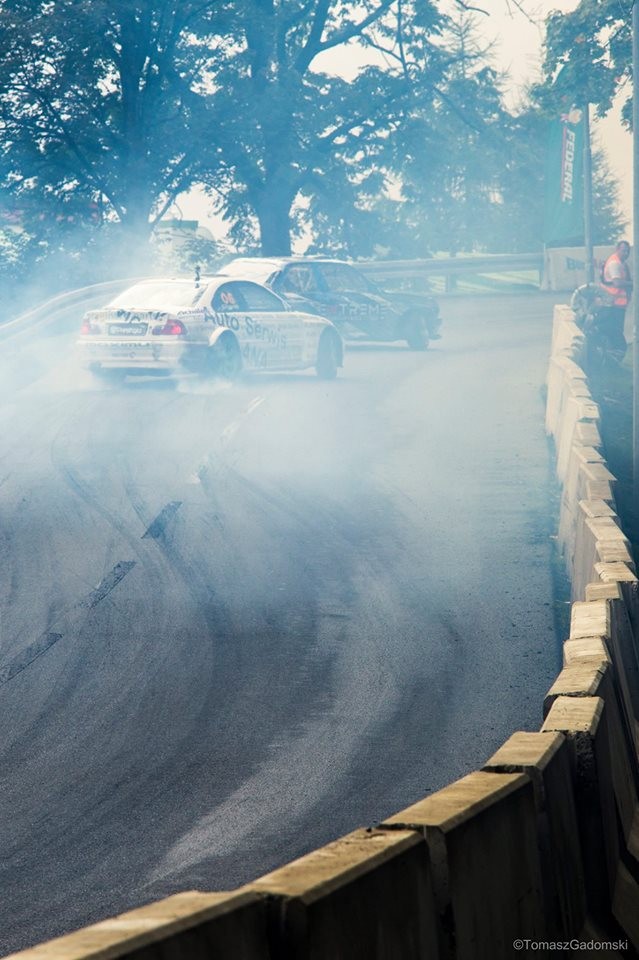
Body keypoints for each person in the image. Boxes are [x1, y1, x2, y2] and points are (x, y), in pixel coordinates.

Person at [599, 240, 633, 360]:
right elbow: (617, 283)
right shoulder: (615, 263)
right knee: (615, 333)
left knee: (615, 332)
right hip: (612, 304)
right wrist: (634, 283)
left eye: (628, 251)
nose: (626, 253)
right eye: (623, 251)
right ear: (617, 249)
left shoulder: (621, 263)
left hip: (617, 305)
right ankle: (616, 357)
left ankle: (613, 358)